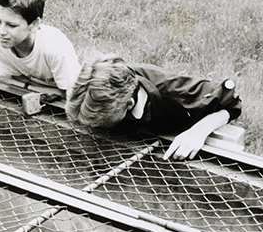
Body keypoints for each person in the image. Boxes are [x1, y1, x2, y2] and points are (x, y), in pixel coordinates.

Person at [65, 54, 242, 160]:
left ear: (129, 104)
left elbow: (231, 103)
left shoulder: (175, 91)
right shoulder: (101, 85)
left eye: (100, 123)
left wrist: (198, 132)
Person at [0, 0, 80, 92]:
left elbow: (71, 94)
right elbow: (3, 80)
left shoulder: (55, 48)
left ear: (34, 25)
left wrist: (25, 84)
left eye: (11, 25)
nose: (1, 31)